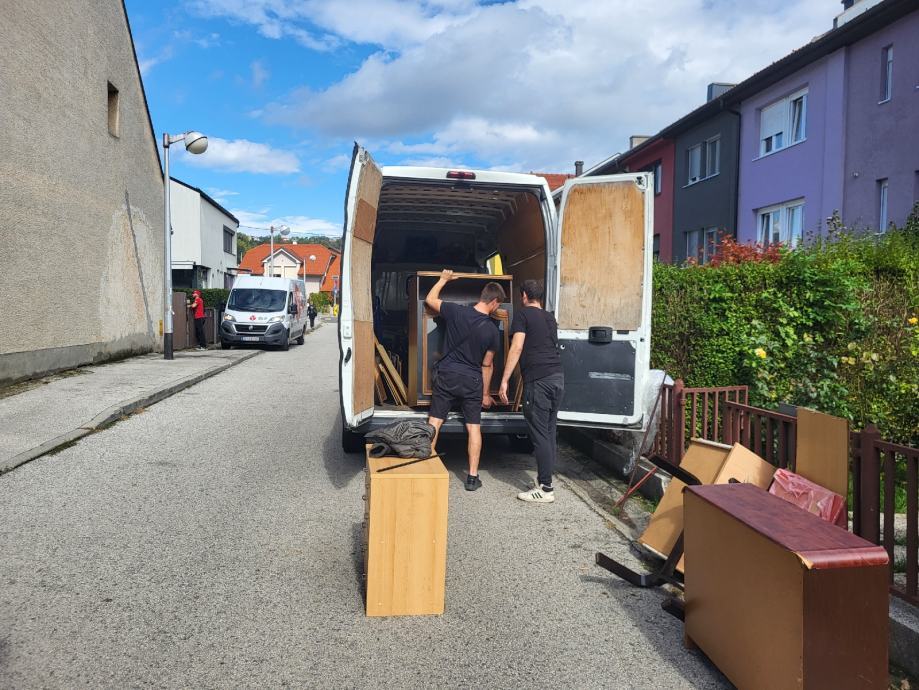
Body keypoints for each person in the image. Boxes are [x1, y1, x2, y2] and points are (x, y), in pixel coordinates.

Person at [425, 270, 505, 492]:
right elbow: (487, 365)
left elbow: (430, 299)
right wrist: (485, 394)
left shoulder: (456, 312)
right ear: (494, 302)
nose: (497, 308)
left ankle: (426, 470)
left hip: (447, 375)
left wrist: (443, 280)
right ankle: (472, 477)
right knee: (473, 428)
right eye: (498, 305)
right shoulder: (492, 331)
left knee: (435, 422)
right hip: (472, 381)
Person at [498, 279, 564, 503]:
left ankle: (545, 489)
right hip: (557, 378)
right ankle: (545, 481)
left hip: (539, 381)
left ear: (524, 295)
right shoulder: (550, 318)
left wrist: (504, 380)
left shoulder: (523, 315)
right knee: (549, 432)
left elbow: (517, 347)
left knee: (540, 435)